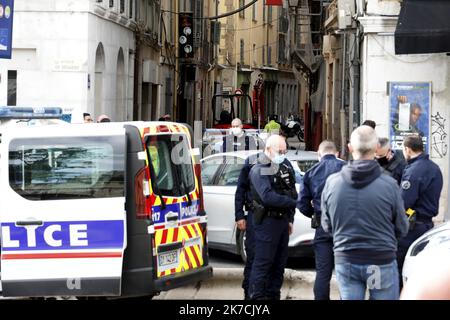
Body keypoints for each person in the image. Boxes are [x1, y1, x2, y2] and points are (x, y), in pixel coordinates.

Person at [321, 125, 409, 300]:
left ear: (350, 148)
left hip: (347, 260)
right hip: (380, 260)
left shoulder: (332, 183)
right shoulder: (389, 185)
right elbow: (402, 227)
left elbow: (327, 225)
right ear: (377, 148)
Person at [248, 135, 298, 300]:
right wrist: (291, 203)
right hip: (267, 223)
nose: (283, 154)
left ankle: (273, 296)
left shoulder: (283, 167)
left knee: (279, 266)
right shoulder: (259, 168)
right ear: (268, 149)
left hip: (282, 222)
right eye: (280, 151)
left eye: (285, 151)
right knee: (263, 264)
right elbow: (267, 197)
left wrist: (290, 218)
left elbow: (292, 191)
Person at [297, 140, 345, 300]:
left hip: (322, 227)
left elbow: (302, 203)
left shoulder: (311, 173)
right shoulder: (346, 169)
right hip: (345, 227)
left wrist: (314, 213)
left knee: (323, 273)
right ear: (337, 154)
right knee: (346, 273)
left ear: (319, 154)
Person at [397, 135, 443, 287]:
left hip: (412, 228)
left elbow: (404, 203)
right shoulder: (434, 168)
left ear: (407, 149)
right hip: (426, 225)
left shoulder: (414, 171)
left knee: (401, 268)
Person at [235, 151, 265, 300]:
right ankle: (248, 294)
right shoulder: (251, 162)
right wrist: (239, 215)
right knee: (252, 256)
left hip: (271, 219)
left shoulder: (280, 164)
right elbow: (240, 190)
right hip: (254, 216)